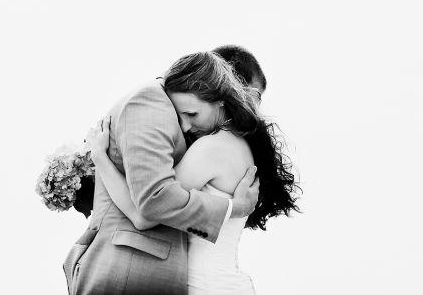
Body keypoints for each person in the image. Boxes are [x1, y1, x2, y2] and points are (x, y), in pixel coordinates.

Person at [86, 51, 299, 294]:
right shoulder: (236, 142)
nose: (185, 126)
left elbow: (144, 215)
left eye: (191, 114)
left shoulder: (212, 148)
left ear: (221, 100)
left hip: (208, 286)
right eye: (180, 116)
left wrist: (101, 159)